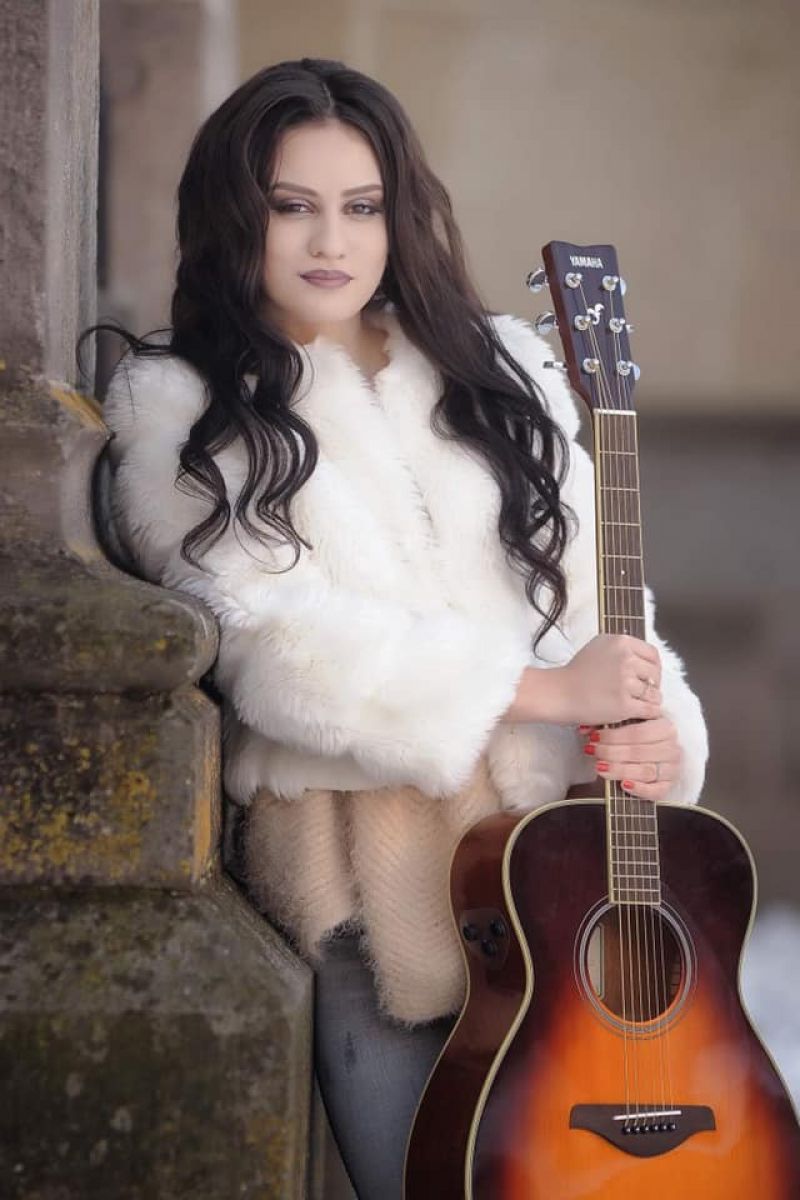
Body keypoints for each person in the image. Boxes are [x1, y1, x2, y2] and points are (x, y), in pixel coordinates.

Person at [94, 57, 708, 1200]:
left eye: (362, 206)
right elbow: (269, 637)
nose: (331, 241)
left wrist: (649, 722)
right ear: (234, 216)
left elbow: (597, 597)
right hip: (370, 902)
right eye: (292, 206)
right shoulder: (183, 404)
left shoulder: (500, 370)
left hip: (551, 883)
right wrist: (540, 693)